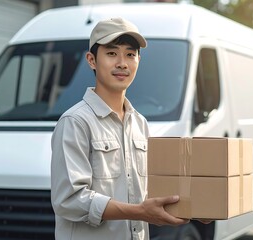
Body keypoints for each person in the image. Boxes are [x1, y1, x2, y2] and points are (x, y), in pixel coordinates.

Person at [50, 17, 189, 240]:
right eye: (112, 53)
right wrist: (139, 212)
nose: (122, 63)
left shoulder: (139, 123)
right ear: (92, 60)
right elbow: (69, 200)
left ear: (138, 61)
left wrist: (193, 207)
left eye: (130, 54)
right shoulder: (75, 122)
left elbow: (147, 192)